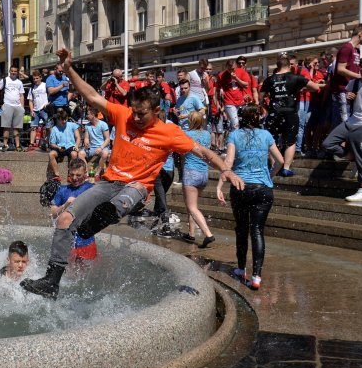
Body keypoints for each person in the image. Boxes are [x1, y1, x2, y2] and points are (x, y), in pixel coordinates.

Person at [22, 48, 244, 299]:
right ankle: (52, 281)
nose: (136, 118)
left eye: (142, 114)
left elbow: (202, 151)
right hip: (109, 183)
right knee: (64, 219)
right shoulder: (125, 114)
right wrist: (69, 68)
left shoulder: (169, 132)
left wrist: (226, 169)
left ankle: (103, 217)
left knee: (126, 196)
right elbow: (92, 96)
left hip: (136, 189)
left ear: (157, 111)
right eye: (134, 111)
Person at [217, 104, 285, 290]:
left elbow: (228, 162)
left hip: (240, 188)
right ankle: (256, 277)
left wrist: (220, 184)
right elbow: (280, 161)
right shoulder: (266, 135)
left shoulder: (234, 136)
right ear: (258, 118)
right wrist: (269, 176)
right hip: (263, 189)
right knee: (257, 231)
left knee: (241, 229)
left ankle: (240, 269)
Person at [260, 58, 322, 176]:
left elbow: (260, 98)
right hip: (290, 113)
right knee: (290, 141)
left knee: (272, 140)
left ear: (277, 66)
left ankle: (275, 167)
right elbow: (315, 88)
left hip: (274, 113)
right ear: (289, 66)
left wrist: (268, 109)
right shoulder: (295, 77)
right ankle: (286, 168)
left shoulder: (269, 79)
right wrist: (301, 88)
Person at [322, 57, 362, 202]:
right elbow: (349, 101)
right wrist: (348, 98)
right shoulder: (354, 83)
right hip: (351, 121)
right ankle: (349, 155)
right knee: (327, 144)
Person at [50, 159, 97, 266]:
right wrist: (65, 205)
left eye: (78, 175)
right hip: (66, 241)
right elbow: (53, 214)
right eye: (72, 174)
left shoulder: (91, 188)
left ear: (85, 173)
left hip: (86, 241)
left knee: (85, 276)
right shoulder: (62, 190)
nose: (75, 178)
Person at [181, 111, 215, 247]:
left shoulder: (187, 134)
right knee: (193, 206)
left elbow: (182, 152)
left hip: (191, 172)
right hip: (203, 173)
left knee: (192, 207)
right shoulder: (207, 134)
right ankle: (191, 234)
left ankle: (208, 234)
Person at [330, 24, 362, 128]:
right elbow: (340, 69)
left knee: (350, 121)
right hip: (343, 91)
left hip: (351, 91)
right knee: (344, 123)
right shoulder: (347, 48)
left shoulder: (356, 50)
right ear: (360, 34)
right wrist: (359, 76)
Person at [47, 109, 84, 179]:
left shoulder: (72, 125)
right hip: (60, 147)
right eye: (62, 120)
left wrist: (76, 145)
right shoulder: (54, 129)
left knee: (74, 154)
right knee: (51, 154)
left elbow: (78, 137)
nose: (64, 121)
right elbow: (52, 143)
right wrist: (58, 147)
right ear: (58, 119)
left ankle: (71, 174)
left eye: (65, 119)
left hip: (70, 146)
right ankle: (57, 174)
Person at [0, 66, 26, 151]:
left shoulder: (19, 82)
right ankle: (5, 145)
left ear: (17, 72)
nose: (13, 72)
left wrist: (22, 107)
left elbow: (21, 95)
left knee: (17, 127)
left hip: (17, 106)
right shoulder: (5, 80)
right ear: (9, 71)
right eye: (12, 71)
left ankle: (17, 146)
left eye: (15, 71)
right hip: (7, 105)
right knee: (6, 126)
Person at [217, 59, 248, 131]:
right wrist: (220, 90)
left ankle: (231, 138)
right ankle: (236, 140)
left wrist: (236, 78)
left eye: (233, 69)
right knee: (235, 123)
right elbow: (217, 89)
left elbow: (246, 85)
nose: (231, 71)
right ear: (226, 67)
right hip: (229, 102)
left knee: (240, 122)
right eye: (229, 69)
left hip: (240, 101)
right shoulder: (221, 75)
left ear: (236, 66)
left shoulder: (241, 71)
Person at [83, 107, 110, 176]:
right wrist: (86, 142)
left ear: (93, 115)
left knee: (105, 153)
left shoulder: (103, 124)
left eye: (88, 114)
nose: (87, 116)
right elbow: (86, 137)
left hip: (102, 147)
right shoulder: (87, 125)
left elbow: (107, 139)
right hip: (91, 147)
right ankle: (86, 172)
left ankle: (97, 173)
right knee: (80, 154)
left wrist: (101, 148)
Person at [27, 70, 49, 150]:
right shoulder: (32, 88)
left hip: (44, 109)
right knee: (33, 127)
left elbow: (50, 95)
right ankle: (31, 143)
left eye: (37, 78)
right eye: (34, 79)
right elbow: (30, 100)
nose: (35, 80)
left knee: (48, 126)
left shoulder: (45, 85)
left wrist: (48, 104)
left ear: (40, 77)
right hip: (35, 110)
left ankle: (46, 143)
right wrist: (32, 110)